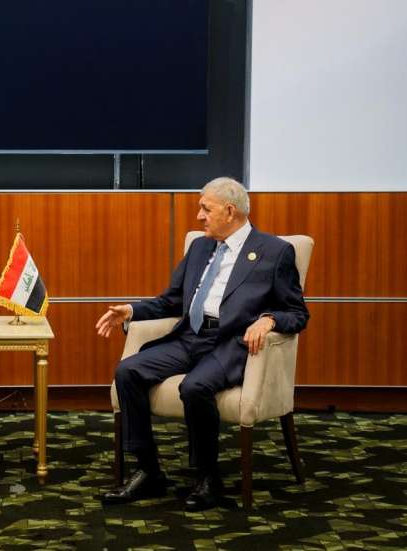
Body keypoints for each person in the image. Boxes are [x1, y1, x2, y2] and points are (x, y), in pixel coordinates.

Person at [96, 177, 308, 511]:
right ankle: (149, 471)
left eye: (206, 209)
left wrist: (269, 319)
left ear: (230, 211)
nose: (199, 216)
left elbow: (297, 313)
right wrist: (132, 311)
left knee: (195, 387)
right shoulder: (200, 247)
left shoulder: (275, 252)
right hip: (190, 337)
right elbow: (171, 300)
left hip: (230, 343)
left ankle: (208, 477)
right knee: (128, 371)